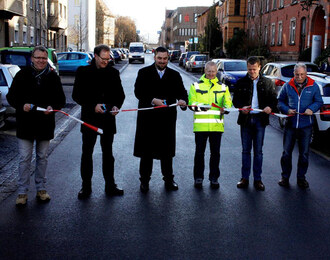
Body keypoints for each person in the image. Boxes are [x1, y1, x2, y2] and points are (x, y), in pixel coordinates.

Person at [6, 46, 66, 205]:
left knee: (42, 157)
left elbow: (61, 101)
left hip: (45, 125)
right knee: (24, 158)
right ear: (32, 58)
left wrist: (52, 108)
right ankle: (22, 192)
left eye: (44, 58)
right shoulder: (22, 75)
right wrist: (21, 105)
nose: (41, 61)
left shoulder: (53, 77)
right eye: (38, 58)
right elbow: (11, 97)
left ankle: (41, 189)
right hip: (25, 124)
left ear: (47, 60)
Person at [72, 44, 125, 199]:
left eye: (108, 59)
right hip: (89, 119)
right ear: (95, 56)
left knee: (108, 154)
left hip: (108, 120)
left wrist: (116, 106)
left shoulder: (113, 73)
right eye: (103, 59)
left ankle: (110, 185)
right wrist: (92, 106)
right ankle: (86, 187)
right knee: (87, 153)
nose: (106, 62)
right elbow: (77, 95)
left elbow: (120, 95)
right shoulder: (83, 72)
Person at [134, 46, 188, 193]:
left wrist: (183, 101)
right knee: (146, 153)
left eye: (165, 59)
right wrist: (153, 100)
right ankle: (144, 181)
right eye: (159, 58)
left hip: (167, 120)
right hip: (148, 120)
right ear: (154, 57)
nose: (162, 61)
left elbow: (182, 92)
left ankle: (169, 180)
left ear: (168, 58)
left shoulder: (175, 75)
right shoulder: (143, 73)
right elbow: (138, 91)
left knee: (167, 153)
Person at [233, 56, 277, 191]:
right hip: (246, 120)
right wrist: (242, 107)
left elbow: (274, 100)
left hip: (260, 120)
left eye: (254, 69)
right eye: (249, 69)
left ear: (259, 67)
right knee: (246, 151)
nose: (251, 72)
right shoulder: (241, 82)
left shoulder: (268, 83)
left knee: (258, 151)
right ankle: (244, 178)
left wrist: (270, 107)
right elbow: (235, 101)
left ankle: (258, 180)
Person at [278, 63, 323, 189]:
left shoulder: (313, 86)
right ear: (293, 74)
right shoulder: (287, 86)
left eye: (302, 74)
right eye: (297, 74)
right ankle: (285, 177)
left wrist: (311, 108)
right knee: (286, 153)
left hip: (306, 126)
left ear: (306, 74)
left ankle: (301, 178)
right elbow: (280, 101)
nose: (299, 77)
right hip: (290, 126)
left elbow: (319, 101)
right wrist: (286, 110)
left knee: (304, 154)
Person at [188, 61, 232, 189]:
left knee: (215, 154)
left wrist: (226, 108)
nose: (211, 74)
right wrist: (201, 108)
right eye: (209, 71)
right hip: (200, 127)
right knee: (199, 153)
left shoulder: (223, 87)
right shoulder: (195, 86)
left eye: (213, 72)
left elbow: (229, 104)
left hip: (216, 126)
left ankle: (214, 178)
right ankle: (198, 178)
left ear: (216, 71)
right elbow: (191, 103)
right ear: (205, 71)